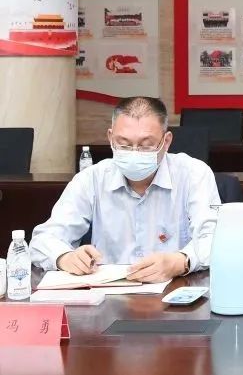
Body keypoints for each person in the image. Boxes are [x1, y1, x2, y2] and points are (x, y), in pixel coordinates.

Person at [29, 97, 220, 282]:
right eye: (124, 144)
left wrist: (181, 261)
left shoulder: (193, 174)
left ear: (166, 141)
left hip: (175, 291)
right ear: (110, 138)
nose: (134, 153)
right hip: (107, 295)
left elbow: (215, 239)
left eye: (146, 145)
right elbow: (43, 239)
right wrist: (65, 257)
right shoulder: (91, 179)